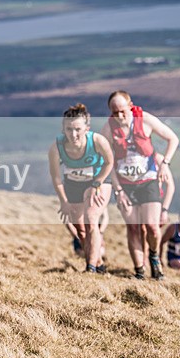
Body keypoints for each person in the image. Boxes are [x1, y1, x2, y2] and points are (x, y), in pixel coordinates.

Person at [100, 90, 179, 280]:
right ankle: (139, 271)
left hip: (149, 181)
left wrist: (165, 163)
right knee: (134, 227)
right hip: (125, 185)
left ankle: (153, 256)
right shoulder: (108, 129)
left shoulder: (145, 119)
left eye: (122, 111)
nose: (119, 116)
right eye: (114, 112)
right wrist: (118, 190)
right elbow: (107, 162)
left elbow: (172, 139)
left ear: (130, 106)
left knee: (152, 226)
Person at [49, 103, 114, 273]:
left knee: (91, 220)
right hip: (73, 184)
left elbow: (109, 162)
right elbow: (56, 177)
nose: (73, 134)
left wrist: (96, 183)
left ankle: (90, 268)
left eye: (78, 129)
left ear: (87, 128)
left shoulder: (98, 141)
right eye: (69, 129)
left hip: (98, 181)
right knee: (81, 231)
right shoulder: (56, 147)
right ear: (63, 129)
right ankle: (98, 262)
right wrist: (64, 201)